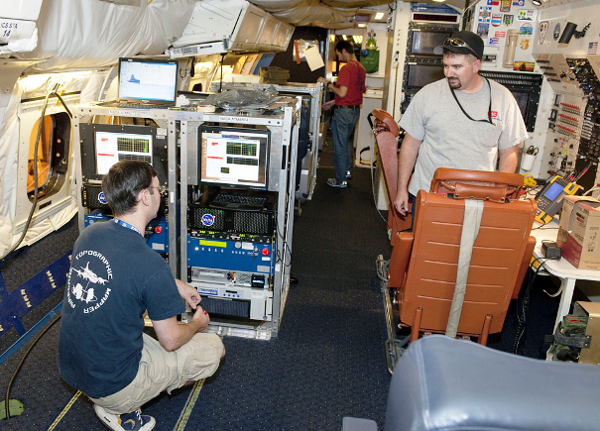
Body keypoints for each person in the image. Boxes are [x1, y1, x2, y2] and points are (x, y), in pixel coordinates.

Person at [58, 161, 225, 431]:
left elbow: (124, 272)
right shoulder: (151, 264)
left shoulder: (90, 235)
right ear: (145, 197)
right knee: (213, 348)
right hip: (112, 384)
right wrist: (197, 324)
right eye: (158, 189)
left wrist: (174, 284)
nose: (161, 195)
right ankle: (121, 408)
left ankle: (113, 401)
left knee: (141, 334)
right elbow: (170, 340)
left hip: (73, 369)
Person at [394, 31, 528, 215]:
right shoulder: (428, 94)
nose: (449, 73)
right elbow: (410, 145)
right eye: (446, 66)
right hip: (430, 193)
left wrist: (500, 194)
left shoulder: (502, 98)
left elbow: (509, 152)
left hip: (480, 197)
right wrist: (402, 189)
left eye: (457, 66)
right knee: (428, 244)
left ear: (475, 66)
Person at [318, 40, 367, 189]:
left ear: (344, 51)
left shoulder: (347, 68)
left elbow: (342, 91)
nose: (339, 59)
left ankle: (340, 180)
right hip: (354, 111)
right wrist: (334, 102)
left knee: (339, 146)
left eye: (338, 55)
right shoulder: (361, 68)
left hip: (343, 113)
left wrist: (326, 82)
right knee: (345, 142)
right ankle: (346, 171)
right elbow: (355, 92)